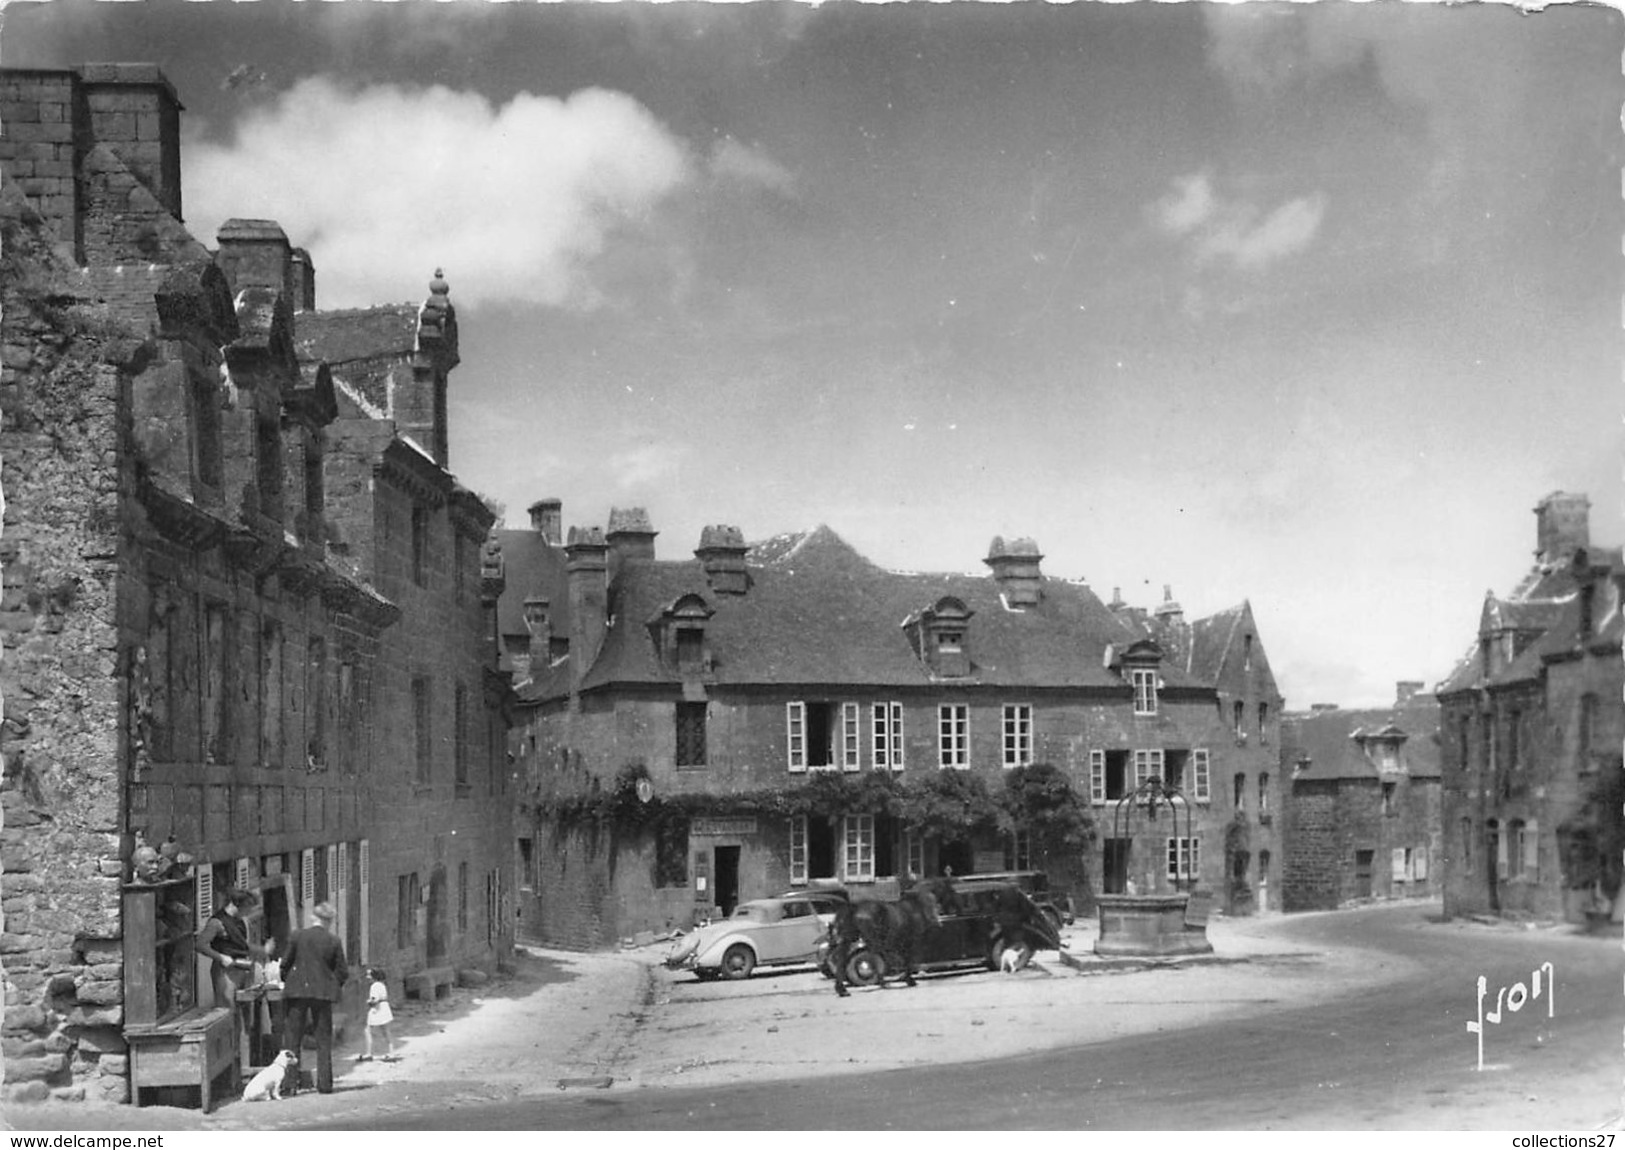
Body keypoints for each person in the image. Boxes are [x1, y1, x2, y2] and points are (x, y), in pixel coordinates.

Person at [280, 901, 348, 1095]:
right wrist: (331, 985)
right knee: (323, 1040)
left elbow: (285, 963)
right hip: (322, 994)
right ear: (329, 921)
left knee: (293, 1038)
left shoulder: (298, 936)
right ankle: (325, 1085)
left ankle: (290, 1085)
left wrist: (289, 980)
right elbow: (342, 971)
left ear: (313, 918)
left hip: (297, 991)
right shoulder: (334, 941)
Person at [195, 887, 263, 1010]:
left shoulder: (240, 921)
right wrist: (220, 957)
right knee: (227, 1008)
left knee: (245, 1009)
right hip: (225, 970)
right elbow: (200, 945)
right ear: (236, 905)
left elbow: (241, 944)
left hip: (242, 967)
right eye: (247, 907)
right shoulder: (217, 922)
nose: (248, 912)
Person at [359, 968, 395, 1062]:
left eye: (369, 975)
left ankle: (369, 1053)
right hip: (385, 1008)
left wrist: (369, 1002)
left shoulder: (374, 986)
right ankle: (391, 1052)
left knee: (368, 1030)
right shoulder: (382, 985)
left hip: (377, 1010)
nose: (367, 977)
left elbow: (374, 1000)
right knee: (386, 1031)